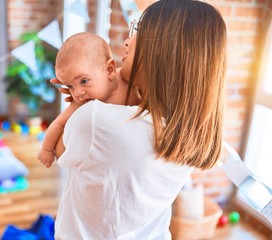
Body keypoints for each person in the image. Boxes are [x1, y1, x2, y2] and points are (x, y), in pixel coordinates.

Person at [53, 0, 227, 239]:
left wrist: (77, 107)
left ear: (163, 50)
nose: (127, 40)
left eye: (138, 30)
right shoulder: (186, 132)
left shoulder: (95, 119)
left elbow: (61, 151)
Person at [38, 32, 140, 168]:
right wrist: (46, 150)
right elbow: (58, 124)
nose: (77, 93)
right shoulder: (82, 103)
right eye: (70, 86)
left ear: (110, 70)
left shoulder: (130, 82)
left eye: (84, 81)